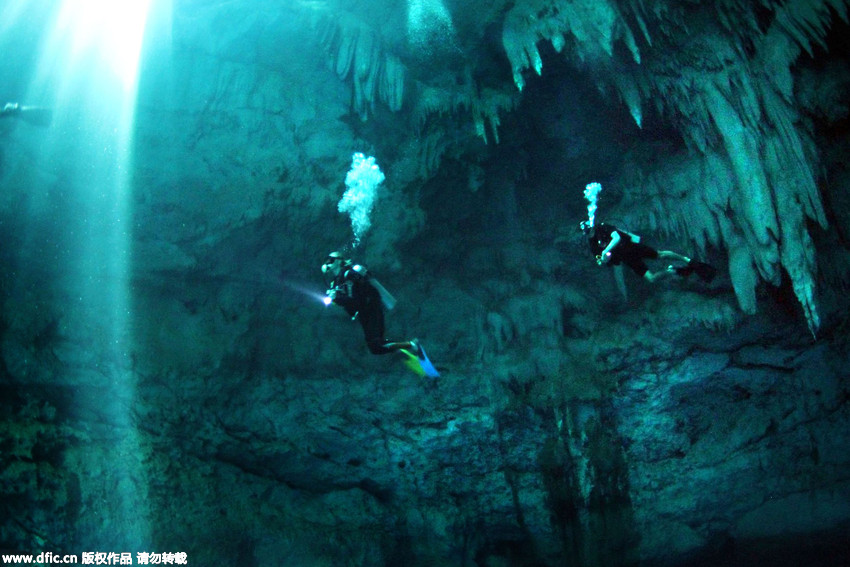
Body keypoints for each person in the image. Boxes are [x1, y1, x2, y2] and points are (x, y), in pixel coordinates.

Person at [321, 251, 422, 356]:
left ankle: (411, 345)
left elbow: (356, 300)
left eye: (330, 260)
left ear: (339, 261)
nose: (327, 263)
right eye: (326, 261)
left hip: (371, 309)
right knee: (375, 348)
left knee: (376, 345)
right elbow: (345, 302)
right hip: (363, 313)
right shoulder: (335, 282)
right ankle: (400, 348)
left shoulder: (350, 275)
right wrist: (334, 299)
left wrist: (336, 297)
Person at [583, 221, 716, 283]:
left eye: (591, 229)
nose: (591, 232)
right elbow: (601, 260)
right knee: (651, 278)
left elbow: (617, 237)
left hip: (631, 247)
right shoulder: (593, 245)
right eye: (589, 232)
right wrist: (605, 258)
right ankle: (671, 271)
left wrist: (606, 249)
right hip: (627, 259)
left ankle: (687, 260)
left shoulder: (603, 227)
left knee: (659, 255)